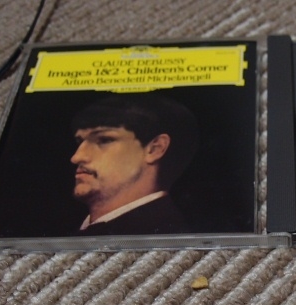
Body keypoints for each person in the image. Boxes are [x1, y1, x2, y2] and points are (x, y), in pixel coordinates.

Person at [69, 94, 199, 235]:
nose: (77, 157)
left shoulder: (169, 231)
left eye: (104, 140)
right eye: (79, 141)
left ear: (155, 149)